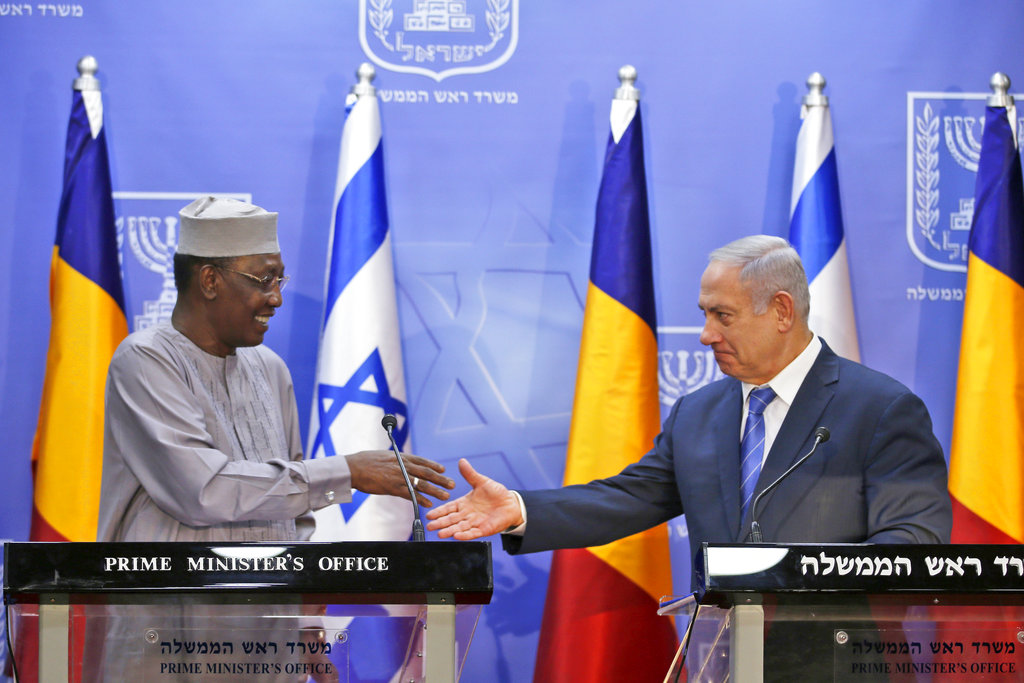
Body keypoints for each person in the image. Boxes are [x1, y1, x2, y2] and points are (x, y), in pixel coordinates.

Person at [426, 235, 952, 589]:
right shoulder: (699, 414)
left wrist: (794, 583)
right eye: (704, 315)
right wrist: (520, 509)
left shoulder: (881, 411)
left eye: (723, 316)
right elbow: (627, 498)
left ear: (783, 312)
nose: (706, 335)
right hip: (720, 657)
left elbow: (911, 547)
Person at [93, 196, 453, 683]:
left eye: (280, 279)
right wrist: (347, 471)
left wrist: (307, 626)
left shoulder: (270, 369)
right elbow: (203, 491)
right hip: (166, 648)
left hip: (267, 653)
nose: (277, 297)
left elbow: (293, 514)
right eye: (264, 280)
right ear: (210, 280)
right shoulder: (145, 362)